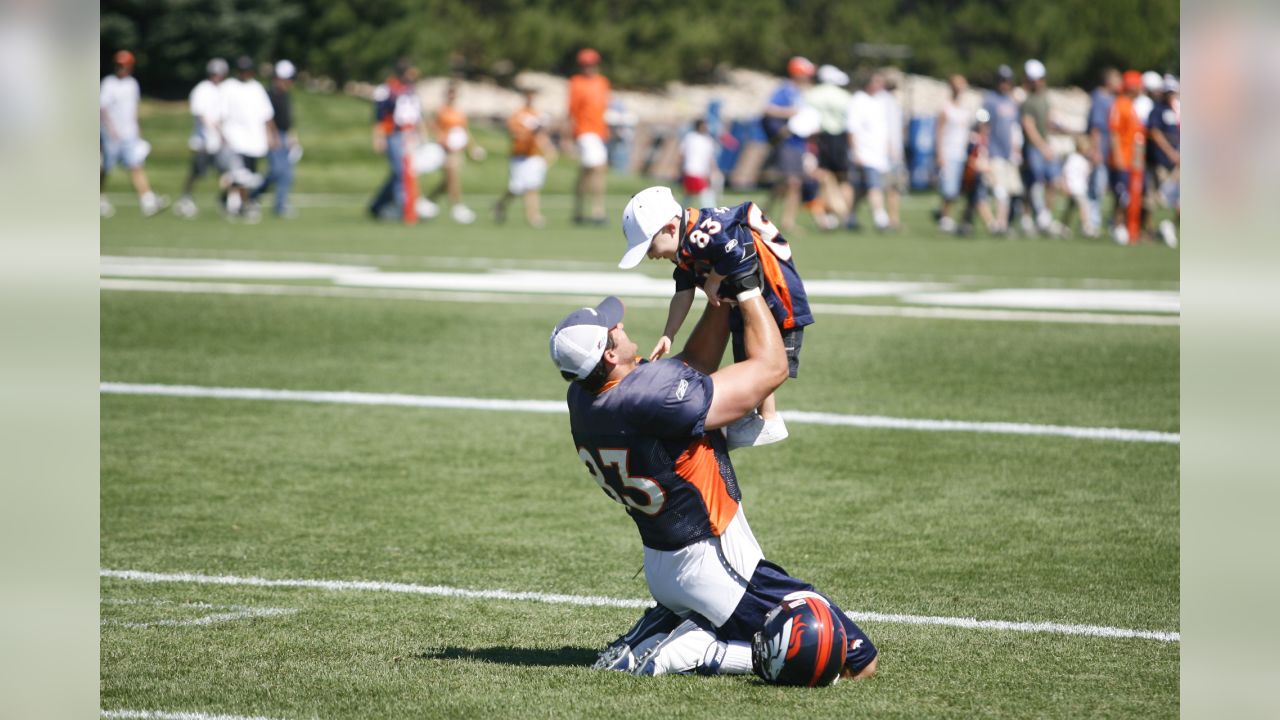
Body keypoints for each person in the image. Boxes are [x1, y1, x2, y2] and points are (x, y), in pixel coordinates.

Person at [549, 291, 876, 679]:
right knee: (853, 660)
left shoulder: (584, 397)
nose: (619, 324)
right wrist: (750, 289)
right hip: (713, 564)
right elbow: (772, 368)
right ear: (609, 356)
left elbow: (692, 369)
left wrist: (720, 293)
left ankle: (663, 626)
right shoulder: (646, 396)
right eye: (611, 329)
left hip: (667, 562)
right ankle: (705, 650)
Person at [617, 185, 813, 449]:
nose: (651, 255)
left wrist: (714, 281)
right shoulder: (684, 248)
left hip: (773, 295)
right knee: (746, 352)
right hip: (743, 300)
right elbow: (683, 292)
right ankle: (759, 418)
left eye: (650, 245)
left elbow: (734, 249)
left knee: (760, 360)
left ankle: (765, 419)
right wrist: (669, 333)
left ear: (671, 228)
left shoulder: (701, 233)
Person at [100, 49, 168, 218]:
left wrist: (138, 130)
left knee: (136, 166)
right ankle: (99, 198)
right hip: (112, 134)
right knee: (105, 168)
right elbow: (103, 109)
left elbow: (133, 111)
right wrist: (111, 130)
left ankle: (147, 201)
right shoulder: (109, 83)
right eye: (118, 65)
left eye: (124, 65)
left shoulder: (132, 84)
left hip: (129, 134)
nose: (121, 68)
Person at [368, 59, 429, 224]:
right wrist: (378, 138)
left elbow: (416, 114)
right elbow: (380, 116)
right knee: (400, 171)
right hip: (393, 134)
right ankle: (402, 207)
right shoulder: (386, 90)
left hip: (409, 135)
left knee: (401, 172)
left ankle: (377, 205)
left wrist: (422, 134)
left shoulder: (410, 90)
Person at [761, 57, 815, 233]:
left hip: (799, 142)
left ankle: (763, 215)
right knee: (792, 182)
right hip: (786, 142)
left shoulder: (800, 92)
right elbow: (768, 109)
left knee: (786, 183)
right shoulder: (785, 90)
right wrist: (789, 113)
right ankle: (786, 221)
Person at [220, 55, 276, 222]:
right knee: (240, 175)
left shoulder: (256, 88)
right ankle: (243, 205)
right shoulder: (228, 87)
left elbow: (266, 114)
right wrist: (223, 136)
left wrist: (271, 135)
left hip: (254, 141)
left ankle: (235, 202)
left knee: (249, 176)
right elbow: (221, 114)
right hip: (235, 139)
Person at [175, 57, 229, 219]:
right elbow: (201, 115)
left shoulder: (224, 90)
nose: (217, 76)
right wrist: (213, 132)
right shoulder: (202, 90)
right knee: (197, 172)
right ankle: (185, 198)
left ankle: (224, 200)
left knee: (226, 172)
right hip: (203, 141)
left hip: (219, 141)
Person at [494, 86, 554, 228]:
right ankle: (501, 205)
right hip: (519, 155)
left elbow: (542, 136)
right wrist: (530, 132)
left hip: (533, 155)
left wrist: (548, 149)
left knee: (532, 186)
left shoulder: (537, 114)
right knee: (516, 187)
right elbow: (514, 134)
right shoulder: (518, 114)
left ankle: (533, 216)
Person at [804, 64, 853, 230]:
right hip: (840, 139)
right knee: (842, 179)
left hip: (821, 139)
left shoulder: (812, 95)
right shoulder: (845, 96)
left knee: (824, 179)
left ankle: (832, 214)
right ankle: (844, 214)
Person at [250, 60, 300, 218]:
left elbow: (287, 120)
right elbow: (265, 118)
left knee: (285, 173)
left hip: (284, 136)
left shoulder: (285, 95)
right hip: (273, 136)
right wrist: (271, 136)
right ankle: (255, 195)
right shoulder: (268, 94)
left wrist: (292, 136)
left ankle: (274, 203)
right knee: (279, 171)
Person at [567, 48, 611, 225]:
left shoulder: (603, 82)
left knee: (586, 172)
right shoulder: (576, 83)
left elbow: (603, 108)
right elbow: (571, 111)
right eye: (586, 65)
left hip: (599, 131)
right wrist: (568, 136)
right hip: (584, 131)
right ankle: (598, 211)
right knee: (598, 168)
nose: (589, 68)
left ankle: (578, 209)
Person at [426, 82, 478, 224]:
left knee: (448, 180)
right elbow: (434, 128)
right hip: (445, 149)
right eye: (450, 93)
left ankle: (428, 201)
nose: (452, 96)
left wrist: (472, 148)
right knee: (452, 177)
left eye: (454, 93)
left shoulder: (459, 112)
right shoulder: (440, 110)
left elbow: (465, 131)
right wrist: (443, 140)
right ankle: (457, 207)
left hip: (458, 150)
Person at [981, 64, 1023, 235]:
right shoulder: (989, 100)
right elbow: (983, 125)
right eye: (1002, 80)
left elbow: (1015, 128)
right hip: (994, 151)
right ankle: (1000, 224)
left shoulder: (1012, 101)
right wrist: (983, 150)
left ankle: (1005, 222)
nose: (1005, 84)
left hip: (1009, 154)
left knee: (1014, 190)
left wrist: (1017, 150)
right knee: (1000, 191)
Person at [1019, 59, 1060, 234]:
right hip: (1034, 148)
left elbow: (1050, 122)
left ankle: (1045, 216)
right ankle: (1035, 216)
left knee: (1052, 181)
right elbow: (1029, 127)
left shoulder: (1046, 99)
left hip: (1045, 146)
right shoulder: (1028, 102)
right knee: (1035, 181)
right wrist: (1043, 146)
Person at [847, 71, 891, 231]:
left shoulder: (880, 102)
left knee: (862, 189)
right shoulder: (859, 101)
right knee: (874, 186)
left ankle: (850, 216)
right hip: (865, 153)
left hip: (878, 154)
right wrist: (856, 152)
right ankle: (881, 218)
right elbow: (852, 128)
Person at [1108, 70, 1145, 245]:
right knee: (1121, 196)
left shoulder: (1131, 106)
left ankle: (1125, 227)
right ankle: (1117, 226)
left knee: (1128, 197)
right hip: (1122, 159)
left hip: (1132, 161)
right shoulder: (1121, 104)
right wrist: (1119, 158)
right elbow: (1114, 133)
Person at [934, 74, 972, 233]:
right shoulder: (946, 108)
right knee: (949, 189)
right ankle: (944, 216)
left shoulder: (965, 108)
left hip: (961, 153)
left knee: (957, 189)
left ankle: (945, 215)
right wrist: (940, 153)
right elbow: (939, 132)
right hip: (949, 152)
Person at [1085, 68, 1120, 235]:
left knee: (1106, 187)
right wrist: (1096, 150)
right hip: (1101, 149)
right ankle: (1092, 222)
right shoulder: (1099, 98)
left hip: (1111, 152)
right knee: (1096, 187)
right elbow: (1096, 128)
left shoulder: (1112, 99)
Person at [1146, 75, 1180, 248]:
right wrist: (1169, 152)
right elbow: (1155, 132)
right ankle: (1155, 228)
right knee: (1160, 197)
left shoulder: (1176, 109)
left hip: (1176, 161)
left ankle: (1169, 226)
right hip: (1161, 159)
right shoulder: (1157, 110)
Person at [879, 75, 907, 230]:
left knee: (894, 187)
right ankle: (887, 219)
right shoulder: (883, 101)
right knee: (889, 187)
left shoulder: (893, 101)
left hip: (895, 152)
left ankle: (893, 218)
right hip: (887, 154)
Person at [1059, 135, 1094, 237]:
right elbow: (1066, 172)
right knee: (1084, 206)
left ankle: (1064, 226)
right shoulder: (1074, 158)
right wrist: (1065, 184)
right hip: (1075, 189)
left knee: (1070, 208)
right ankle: (1085, 226)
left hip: (1080, 188)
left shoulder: (1083, 160)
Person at [679, 118, 718, 208]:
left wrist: (713, 170)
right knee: (706, 195)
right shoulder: (691, 138)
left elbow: (710, 158)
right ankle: (712, 214)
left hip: (697, 171)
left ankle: (680, 212)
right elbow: (682, 155)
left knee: (689, 195)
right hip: (694, 171)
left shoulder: (706, 140)